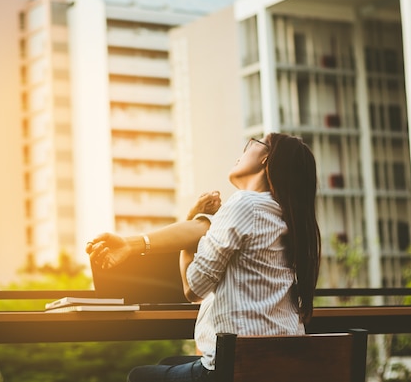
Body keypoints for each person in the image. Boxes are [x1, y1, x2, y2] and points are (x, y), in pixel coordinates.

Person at [86, 133, 321, 382]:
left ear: (266, 158)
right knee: (169, 363)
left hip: (237, 368)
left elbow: (194, 289)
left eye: (253, 143)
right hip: (283, 365)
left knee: (139, 376)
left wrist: (192, 227)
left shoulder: (244, 203)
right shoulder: (289, 218)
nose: (241, 151)